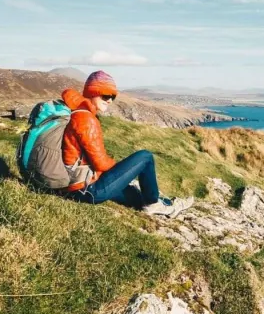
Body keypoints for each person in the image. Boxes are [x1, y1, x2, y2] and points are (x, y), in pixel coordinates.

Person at [59, 70, 193, 216]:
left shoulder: (76, 112)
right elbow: (101, 163)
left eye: (113, 97)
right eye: (106, 95)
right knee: (145, 157)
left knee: (136, 195)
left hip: (75, 187)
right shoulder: (87, 120)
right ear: (92, 92)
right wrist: (123, 171)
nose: (110, 100)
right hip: (86, 190)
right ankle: (155, 205)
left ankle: (165, 203)